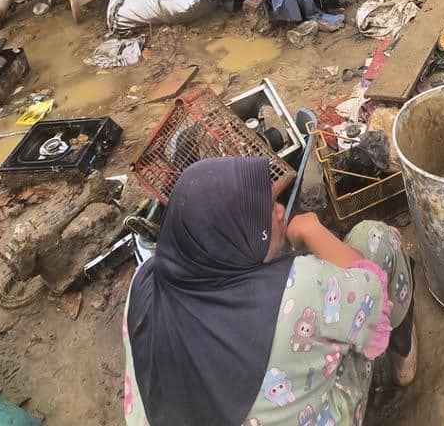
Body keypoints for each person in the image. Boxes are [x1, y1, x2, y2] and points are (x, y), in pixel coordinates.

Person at [124, 158, 416, 426]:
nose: (279, 211)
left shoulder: (143, 283)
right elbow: (371, 289)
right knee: (376, 239)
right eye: (265, 212)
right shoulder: (297, 290)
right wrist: (310, 230)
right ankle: (404, 358)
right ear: (235, 239)